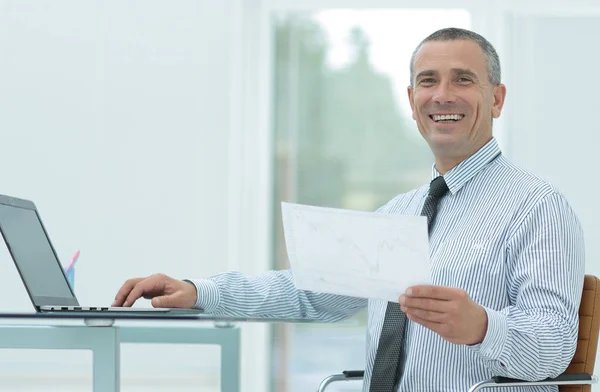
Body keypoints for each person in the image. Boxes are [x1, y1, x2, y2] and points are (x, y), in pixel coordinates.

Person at [112, 27, 585, 392]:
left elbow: (556, 343)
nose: (443, 95)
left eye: (464, 80)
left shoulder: (537, 208)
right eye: (428, 81)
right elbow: (310, 292)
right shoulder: (399, 214)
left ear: (497, 99)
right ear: (412, 102)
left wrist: (483, 327)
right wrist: (199, 291)